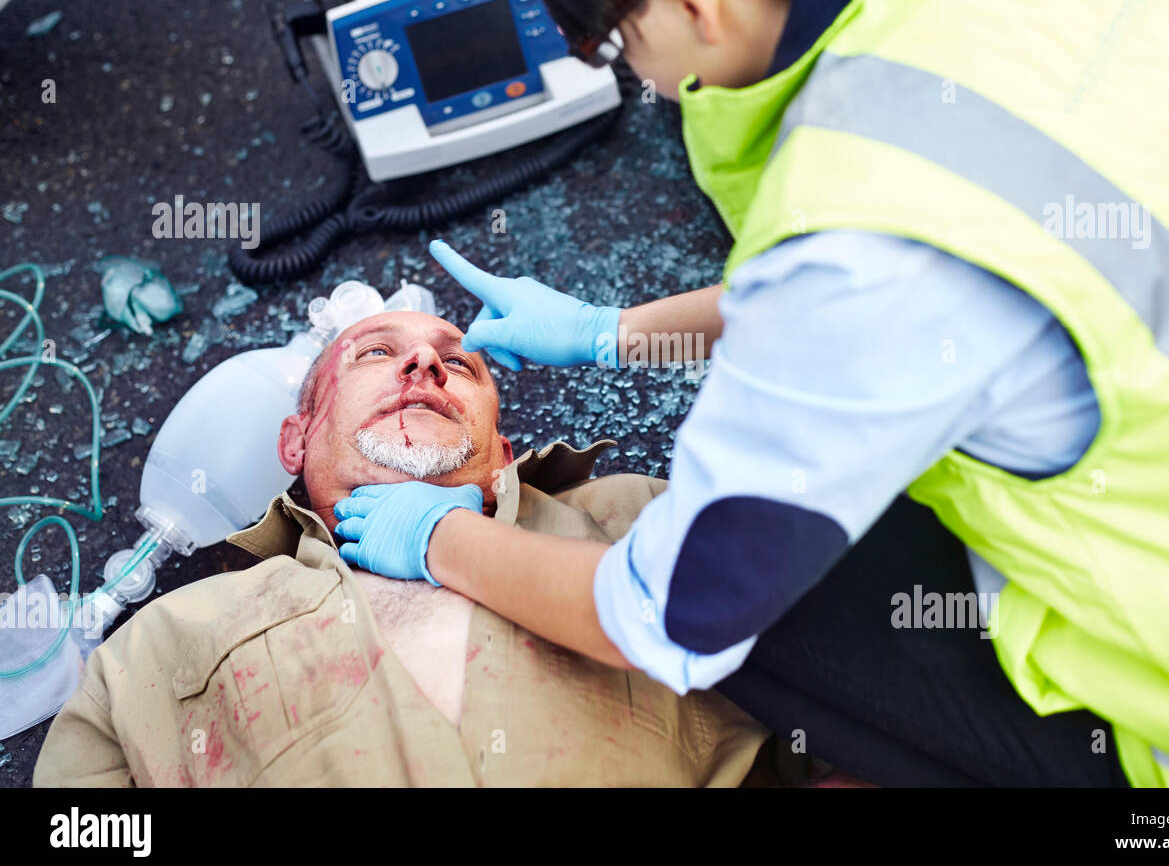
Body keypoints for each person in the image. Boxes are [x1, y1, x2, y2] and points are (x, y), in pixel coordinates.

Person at [334, 0, 1169, 788]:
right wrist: (611, 331)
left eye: (623, 48)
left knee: (754, 605)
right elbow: (989, 245)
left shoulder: (865, 232)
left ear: (686, 4)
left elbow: (663, 619)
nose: (644, 75)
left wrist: (439, 537)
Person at [33, 309, 802, 787]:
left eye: (460, 362)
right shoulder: (160, 646)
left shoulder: (638, 515)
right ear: (294, 440)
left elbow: (877, 688)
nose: (425, 363)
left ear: (500, 448)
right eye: (373, 353)